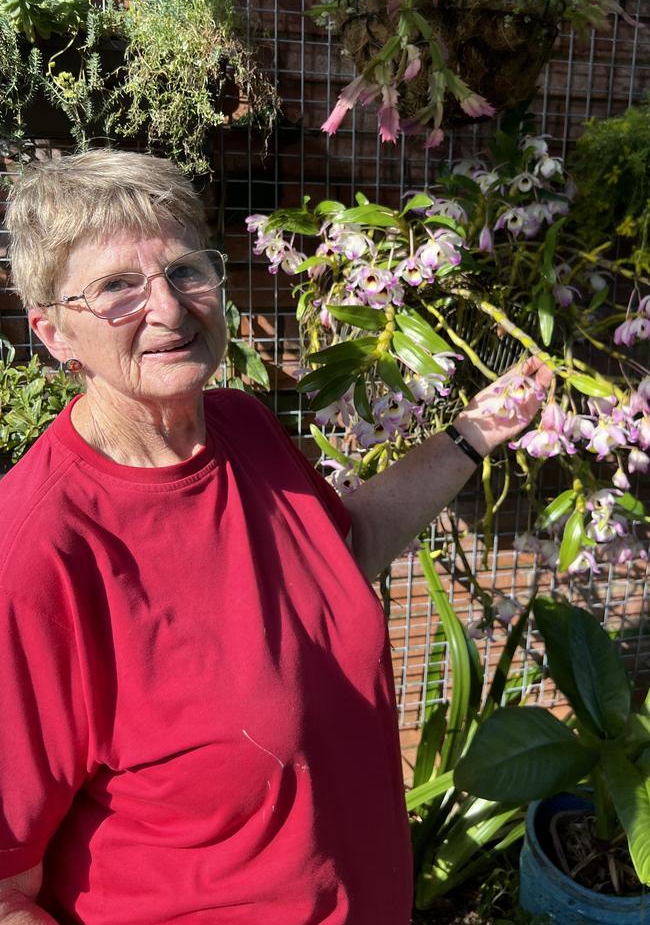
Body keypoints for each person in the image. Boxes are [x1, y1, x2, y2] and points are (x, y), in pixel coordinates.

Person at [0, 150, 551, 925]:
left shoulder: (244, 426)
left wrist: (473, 433)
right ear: (53, 333)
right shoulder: (36, 555)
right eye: (118, 288)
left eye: (185, 271)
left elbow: (343, 551)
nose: (167, 308)